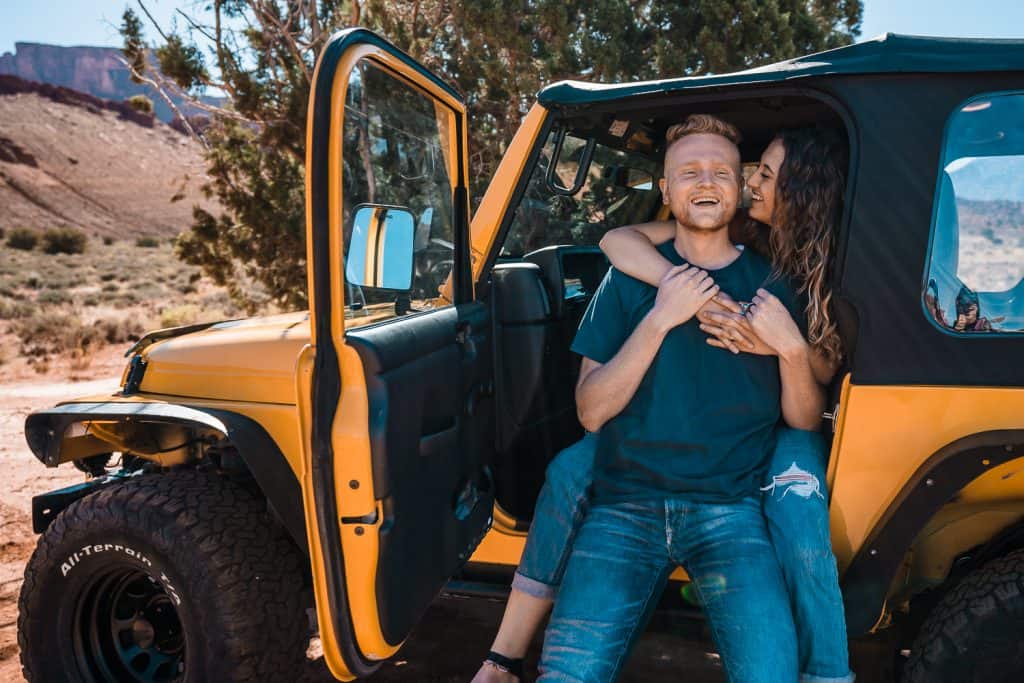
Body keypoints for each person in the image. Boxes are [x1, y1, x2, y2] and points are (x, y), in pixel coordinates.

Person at [474, 121, 853, 683]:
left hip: (732, 512)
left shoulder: (777, 283)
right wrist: (663, 314)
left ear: (739, 188)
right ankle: (503, 658)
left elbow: (801, 417)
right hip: (625, 510)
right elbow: (591, 412)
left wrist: (789, 348)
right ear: (667, 191)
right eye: (689, 173)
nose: (707, 182)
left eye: (724, 172)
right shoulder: (627, 281)